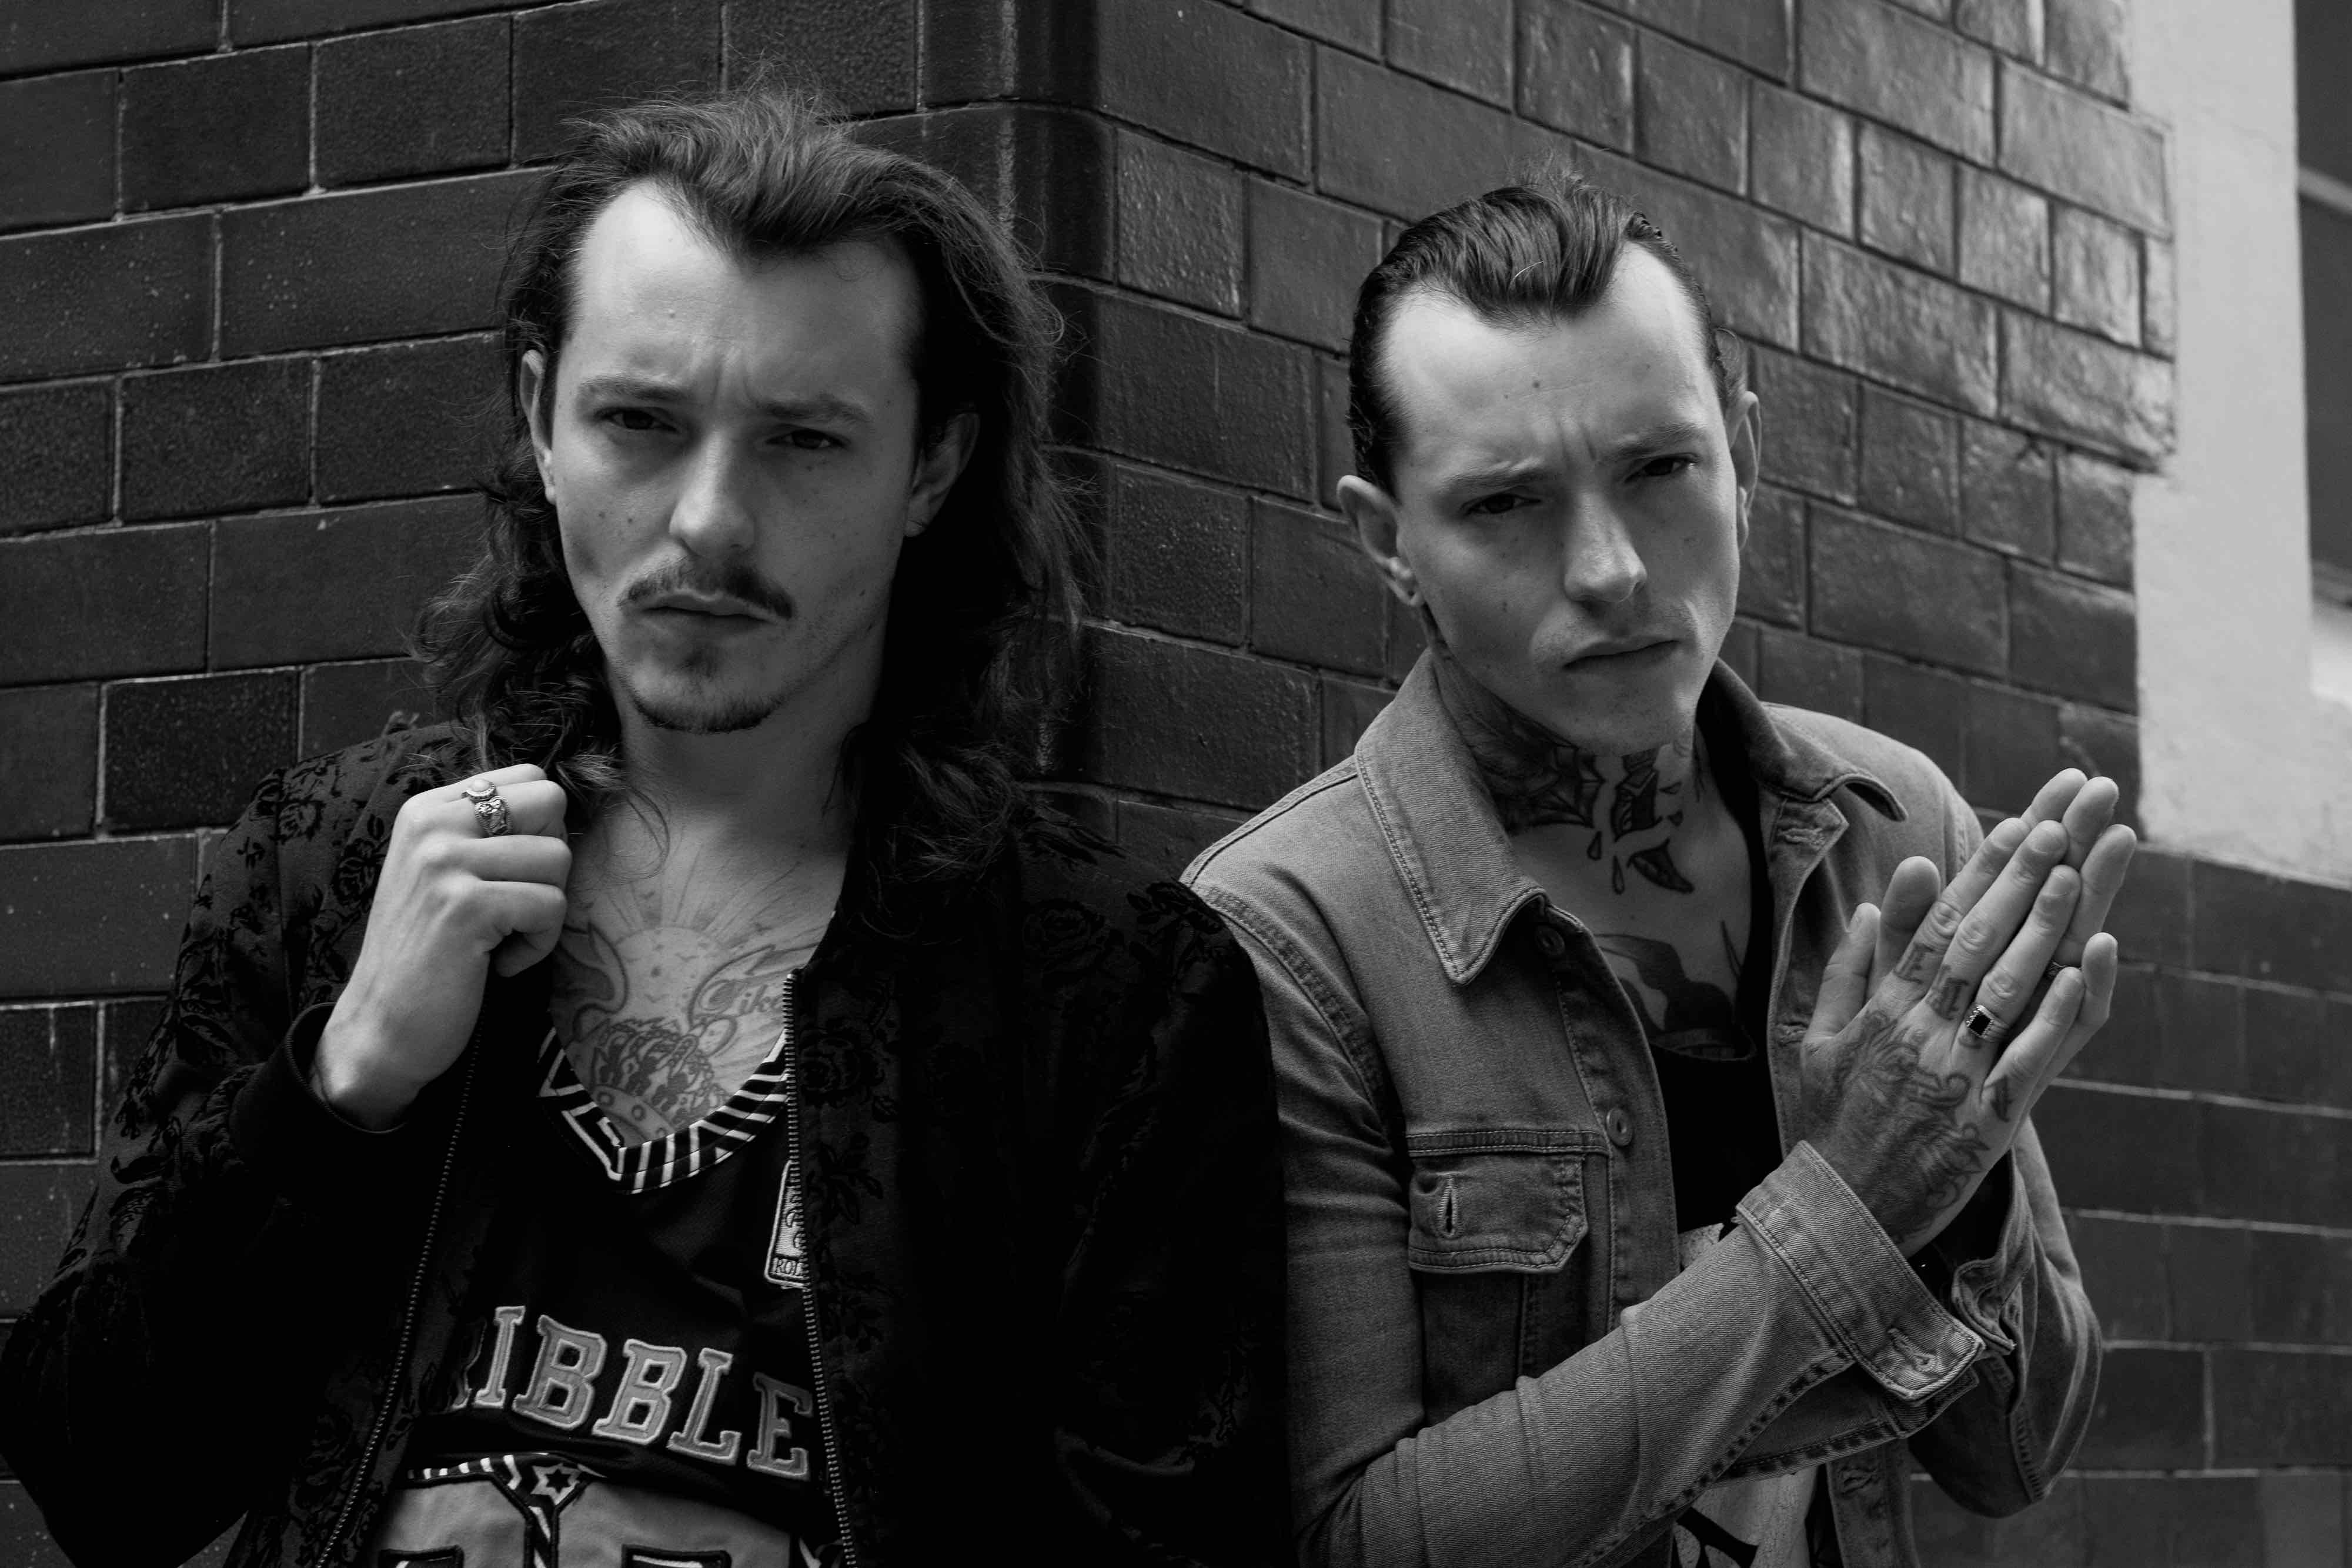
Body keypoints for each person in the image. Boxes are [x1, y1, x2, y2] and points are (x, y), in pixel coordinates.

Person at [0, 88, 1287, 1568]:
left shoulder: (1109, 993)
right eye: (639, 422)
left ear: (930, 468)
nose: (708, 522)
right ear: (540, 419)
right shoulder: (334, 862)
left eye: (803, 439)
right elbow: (102, 1476)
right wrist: (340, 1086)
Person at [1184, 174, 2130, 1568]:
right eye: (1503, 501)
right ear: (1388, 542)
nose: (1609, 567)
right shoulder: (1283, 936)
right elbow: (1355, 1540)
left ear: (1741, 452)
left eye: (1658, 469)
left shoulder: (1892, 831)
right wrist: (1842, 1207)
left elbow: (2017, 1453)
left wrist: (1953, 1173)